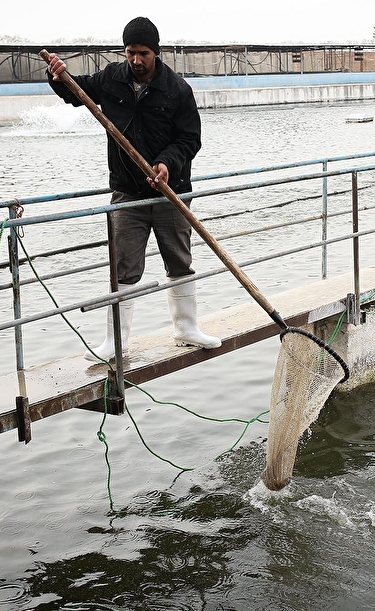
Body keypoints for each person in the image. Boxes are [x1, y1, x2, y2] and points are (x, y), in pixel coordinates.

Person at [45, 16, 220, 362]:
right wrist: (57, 74)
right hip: (127, 193)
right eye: (130, 53)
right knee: (123, 267)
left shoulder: (177, 89)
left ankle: (187, 328)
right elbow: (75, 92)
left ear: (156, 52)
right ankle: (114, 343)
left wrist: (167, 163)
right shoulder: (112, 78)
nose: (136, 60)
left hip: (172, 192)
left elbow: (190, 139)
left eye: (143, 53)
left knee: (179, 260)